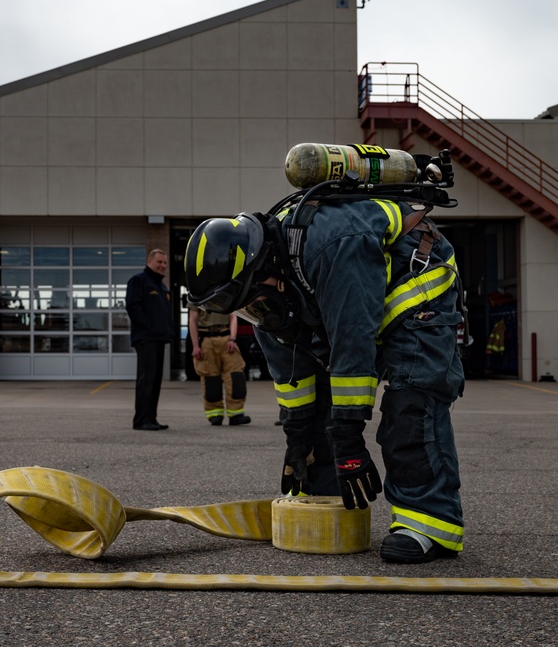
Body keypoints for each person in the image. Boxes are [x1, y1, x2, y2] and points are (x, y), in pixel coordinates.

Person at [184, 151, 466, 564]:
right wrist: (298, 439)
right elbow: (293, 371)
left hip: (418, 290)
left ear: (262, 267)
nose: (257, 314)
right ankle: (325, 492)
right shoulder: (273, 281)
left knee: (410, 403)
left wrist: (350, 440)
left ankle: (430, 524)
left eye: (254, 302)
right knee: (318, 415)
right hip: (355, 299)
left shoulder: (334, 242)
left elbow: (354, 341)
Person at [125, 248, 177, 431]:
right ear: (149, 261)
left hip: (159, 339)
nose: (162, 266)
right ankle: (140, 420)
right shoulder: (139, 281)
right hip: (145, 338)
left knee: (155, 380)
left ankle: (151, 418)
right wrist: (148, 326)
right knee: (146, 379)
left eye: (164, 263)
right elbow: (133, 307)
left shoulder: (161, 286)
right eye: (159, 262)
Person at [187, 304, 251, 425]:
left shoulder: (227, 291)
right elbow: (192, 320)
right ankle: (215, 414)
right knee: (210, 378)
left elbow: (233, 317)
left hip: (227, 338)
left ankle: (236, 413)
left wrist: (232, 339)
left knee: (236, 376)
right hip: (206, 339)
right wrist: (195, 346)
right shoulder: (197, 294)